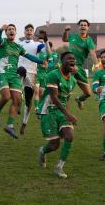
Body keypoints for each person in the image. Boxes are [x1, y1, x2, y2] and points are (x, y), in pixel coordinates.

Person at [0, 24, 45, 139]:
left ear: (16, 33)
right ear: (6, 33)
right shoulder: (3, 43)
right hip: (2, 74)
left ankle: (10, 125)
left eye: (13, 29)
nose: (11, 31)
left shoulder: (18, 47)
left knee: (17, 100)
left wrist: (41, 61)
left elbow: (30, 57)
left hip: (13, 76)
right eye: (9, 29)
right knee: (6, 96)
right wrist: (1, 29)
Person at [37, 51, 78, 179]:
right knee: (54, 145)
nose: (71, 61)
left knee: (69, 136)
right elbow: (54, 98)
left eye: (73, 59)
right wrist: (68, 114)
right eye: (68, 59)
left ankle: (59, 167)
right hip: (48, 111)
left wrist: (67, 114)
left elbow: (67, 98)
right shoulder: (53, 75)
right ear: (62, 61)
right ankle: (42, 151)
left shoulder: (72, 81)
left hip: (62, 111)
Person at [62, 19, 98, 109]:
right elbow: (64, 39)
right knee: (66, 92)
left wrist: (97, 66)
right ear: (79, 27)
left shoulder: (89, 41)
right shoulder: (73, 36)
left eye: (85, 25)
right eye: (81, 25)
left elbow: (93, 54)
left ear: (88, 28)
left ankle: (79, 99)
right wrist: (65, 31)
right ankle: (65, 114)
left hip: (79, 68)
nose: (83, 26)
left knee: (88, 93)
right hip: (68, 66)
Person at [17, 24, 46, 134]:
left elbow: (45, 52)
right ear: (24, 32)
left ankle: (24, 123)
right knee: (21, 72)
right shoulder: (19, 44)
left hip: (32, 73)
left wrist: (45, 41)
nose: (29, 32)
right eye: (27, 30)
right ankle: (18, 101)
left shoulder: (37, 44)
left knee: (29, 103)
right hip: (20, 70)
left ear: (33, 33)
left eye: (31, 30)